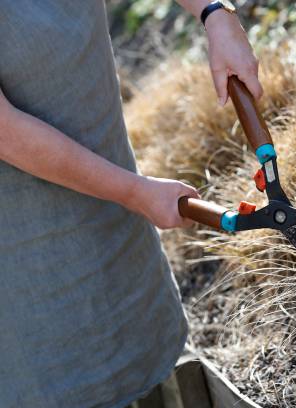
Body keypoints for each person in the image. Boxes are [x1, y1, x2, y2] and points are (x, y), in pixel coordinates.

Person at [0, 1, 261, 407]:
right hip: (28, 257)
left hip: (112, 210)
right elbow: (7, 133)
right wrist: (135, 192)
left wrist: (216, 15)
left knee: (144, 347)